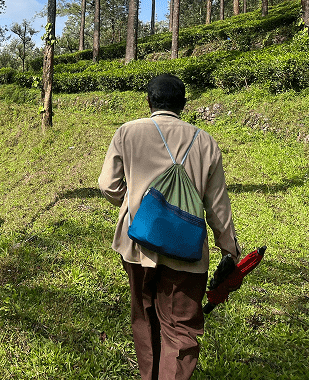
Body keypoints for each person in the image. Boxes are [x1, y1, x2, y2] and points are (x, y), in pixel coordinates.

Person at [98, 74, 241, 380]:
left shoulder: (127, 132)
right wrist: (229, 251)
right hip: (186, 250)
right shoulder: (204, 141)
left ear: (148, 101)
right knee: (180, 329)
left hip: (137, 244)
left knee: (144, 316)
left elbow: (108, 186)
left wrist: (135, 204)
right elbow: (217, 206)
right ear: (184, 104)